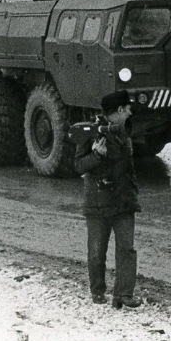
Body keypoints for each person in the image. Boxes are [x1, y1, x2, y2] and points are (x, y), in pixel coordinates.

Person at [72, 89, 142, 309]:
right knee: (96, 252)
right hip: (98, 202)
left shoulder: (125, 130)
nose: (130, 114)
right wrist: (96, 156)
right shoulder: (91, 131)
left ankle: (123, 294)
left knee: (127, 249)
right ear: (120, 110)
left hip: (124, 200)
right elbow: (79, 165)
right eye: (128, 110)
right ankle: (98, 291)